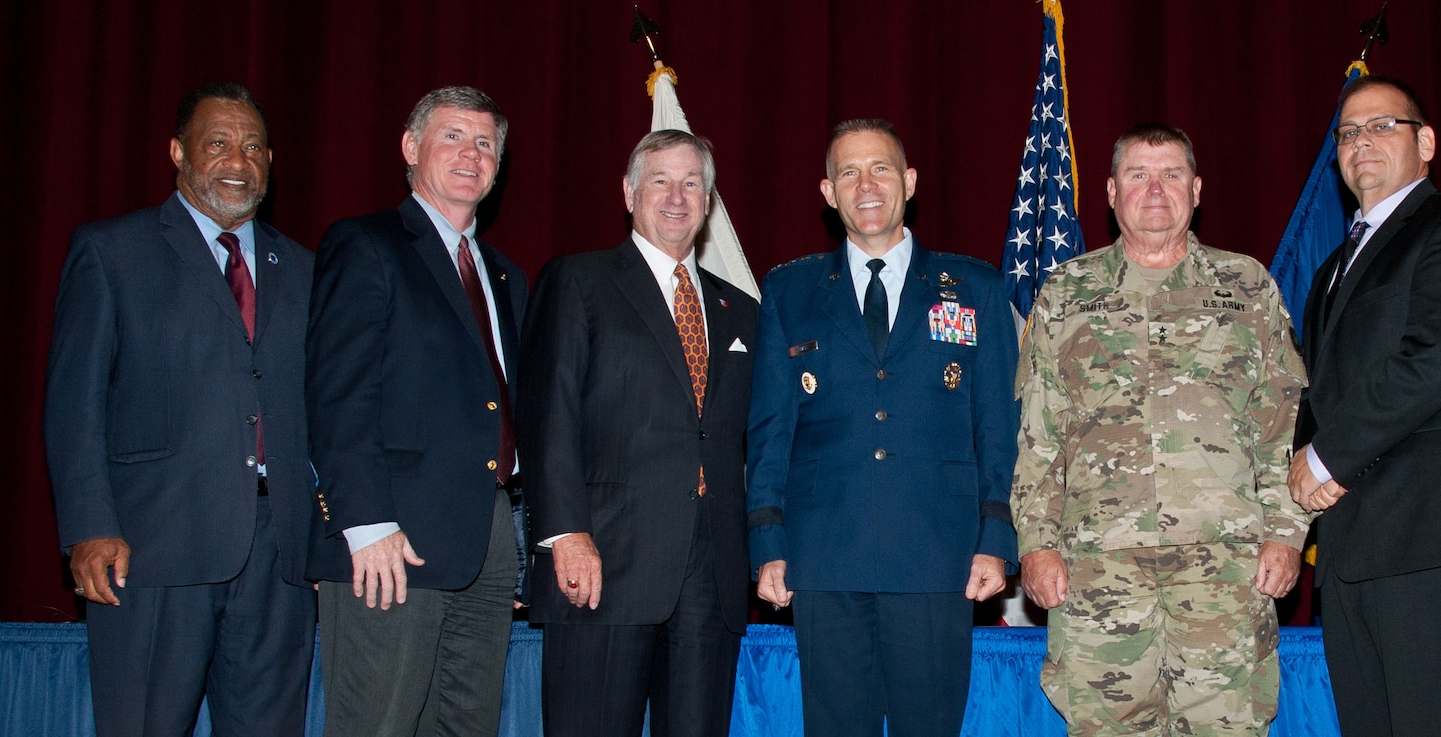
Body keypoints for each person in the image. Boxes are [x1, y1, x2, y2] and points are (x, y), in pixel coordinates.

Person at [1014, 123, 1309, 736]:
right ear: (1110, 191)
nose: (1155, 189)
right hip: (1098, 570)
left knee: (1227, 728)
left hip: (1226, 570)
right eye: (1137, 175)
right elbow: (1040, 434)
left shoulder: (1247, 286)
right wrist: (1036, 544)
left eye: (1171, 174)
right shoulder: (1067, 293)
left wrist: (1286, 534)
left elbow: (1278, 426)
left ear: (1196, 189)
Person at [46, 82, 317, 737]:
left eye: (254, 147)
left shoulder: (307, 269)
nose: (237, 160)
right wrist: (88, 524)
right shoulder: (112, 253)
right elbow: (72, 401)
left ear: (271, 162)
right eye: (218, 143)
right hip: (150, 550)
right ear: (178, 151)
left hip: (278, 560)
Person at [745, 118, 1018, 737]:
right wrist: (767, 540)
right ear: (827, 191)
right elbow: (769, 430)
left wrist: (996, 536)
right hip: (823, 555)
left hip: (937, 554)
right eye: (848, 172)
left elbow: (999, 426)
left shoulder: (973, 288)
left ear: (909, 182)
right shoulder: (789, 292)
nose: (865, 184)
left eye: (881, 169)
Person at [1287, 77, 1441, 737]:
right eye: (1349, 132)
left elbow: (1440, 356)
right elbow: (1318, 394)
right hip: (1354, 553)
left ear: (1427, 142)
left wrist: (1324, 458)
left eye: (1382, 125)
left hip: (1433, 543)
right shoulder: (1333, 268)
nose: (1362, 142)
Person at [518, 129, 759, 736]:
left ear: (708, 201)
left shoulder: (743, 310)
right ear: (629, 192)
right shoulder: (579, 281)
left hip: (711, 575)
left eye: (691, 184)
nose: (676, 197)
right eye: (660, 181)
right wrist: (564, 533)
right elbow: (549, 415)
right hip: (604, 564)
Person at [306, 86, 528, 737]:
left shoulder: (505, 275)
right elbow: (337, 392)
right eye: (453, 136)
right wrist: (364, 522)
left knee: (465, 726)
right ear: (411, 147)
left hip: (484, 541)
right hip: (391, 539)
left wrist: (515, 538)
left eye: (486, 143)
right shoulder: (365, 244)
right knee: (377, 723)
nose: (471, 154)